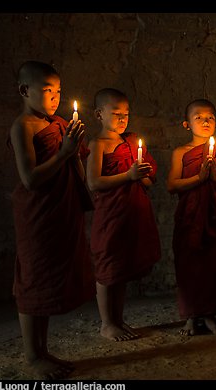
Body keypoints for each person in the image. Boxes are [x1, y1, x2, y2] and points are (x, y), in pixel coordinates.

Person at [8, 60, 95, 379]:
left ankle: (43, 350)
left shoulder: (60, 123)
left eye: (58, 91)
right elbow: (29, 178)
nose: (55, 98)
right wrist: (64, 152)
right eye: (47, 91)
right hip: (37, 211)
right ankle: (33, 356)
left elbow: (78, 170)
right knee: (34, 277)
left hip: (62, 209)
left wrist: (73, 152)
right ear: (24, 91)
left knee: (48, 278)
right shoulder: (23, 126)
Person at [86, 88, 161, 342]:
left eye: (126, 113)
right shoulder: (98, 144)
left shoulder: (131, 141)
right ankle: (107, 324)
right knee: (108, 267)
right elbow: (94, 182)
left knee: (121, 269)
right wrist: (128, 176)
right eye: (116, 113)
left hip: (132, 214)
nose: (122, 118)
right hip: (110, 214)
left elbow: (148, 181)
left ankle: (118, 320)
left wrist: (143, 174)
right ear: (98, 114)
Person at [167, 99, 216, 336]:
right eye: (198, 117)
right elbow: (172, 185)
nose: (205, 121)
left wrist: (214, 178)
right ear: (186, 124)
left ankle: (209, 315)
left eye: (210, 117)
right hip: (190, 218)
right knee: (190, 266)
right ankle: (191, 316)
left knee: (215, 265)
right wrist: (199, 179)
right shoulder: (181, 152)